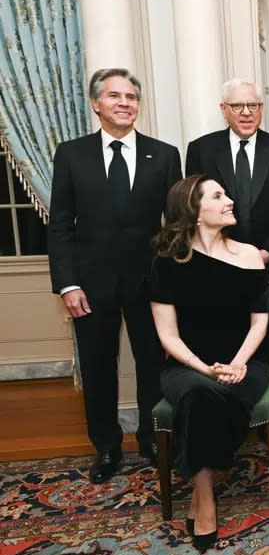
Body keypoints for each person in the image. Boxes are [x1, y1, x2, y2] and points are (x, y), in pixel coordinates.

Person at [48, 68, 182, 482]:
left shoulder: (163, 154)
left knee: (153, 364)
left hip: (150, 284)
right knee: (97, 365)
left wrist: (175, 279)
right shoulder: (71, 154)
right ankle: (106, 446)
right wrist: (68, 283)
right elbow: (60, 225)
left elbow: (176, 224)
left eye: (132, 97)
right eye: (115, 96)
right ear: (96, 103)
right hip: (89, 286)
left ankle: (150, 438)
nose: (125, 103)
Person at [150, 175, 269, 553]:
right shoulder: (166, 262)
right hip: (186, 368)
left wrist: (236, 363)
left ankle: (199, 492)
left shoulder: (250, 255)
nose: (229, 200)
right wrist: (204, 368)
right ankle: (206, 497)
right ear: (195, 211)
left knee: (210, 394)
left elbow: (260, 322)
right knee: (200, 392)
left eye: (226, 194)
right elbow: (168, 336)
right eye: (218, 196)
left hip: (246, 363)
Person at [185, 78, 269, 318]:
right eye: (238, 106)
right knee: (226, 340)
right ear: (224, 110)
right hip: (217, 264)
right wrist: (222, 253)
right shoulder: (201, 149)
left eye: (254, 106)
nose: (247, 113)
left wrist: (265, 253)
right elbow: (195, 208)